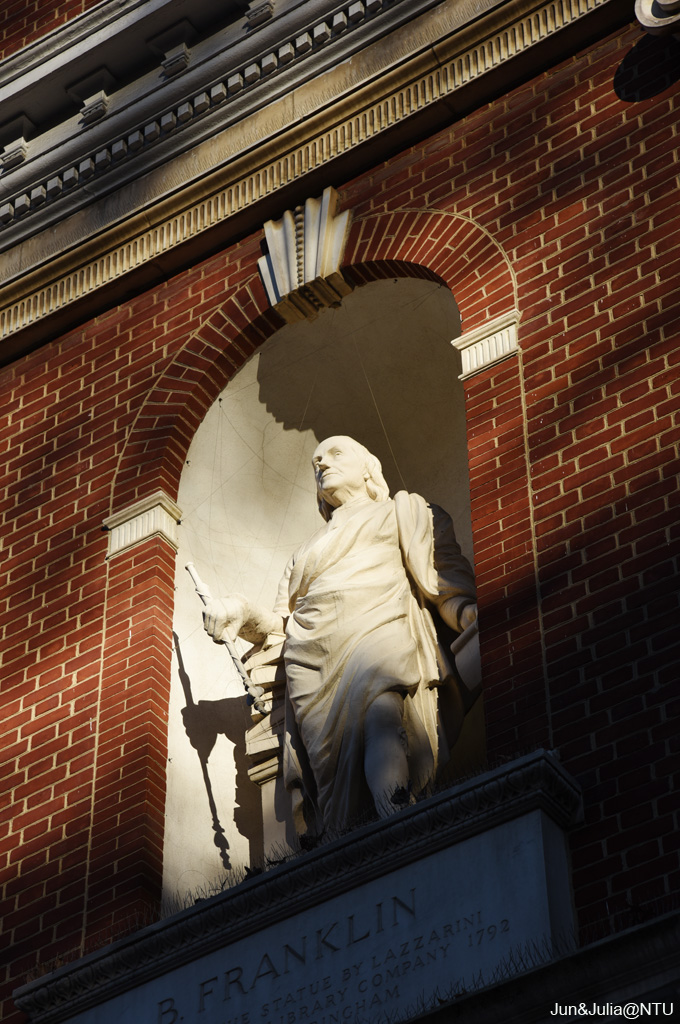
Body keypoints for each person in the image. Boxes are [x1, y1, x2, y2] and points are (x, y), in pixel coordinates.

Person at [202, 436, 477, 834]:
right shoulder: (304, 552)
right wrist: (242, 612)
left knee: (383, 716)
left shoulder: (404, 511)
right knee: (331, 778)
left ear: (368, 468)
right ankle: (351, 841)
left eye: (335, 454)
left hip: (380, 626)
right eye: (316, 461)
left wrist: (465, 611)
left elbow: (441, 577)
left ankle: (399, 822)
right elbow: (283, 625)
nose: (322, 464)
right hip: (311, 663)